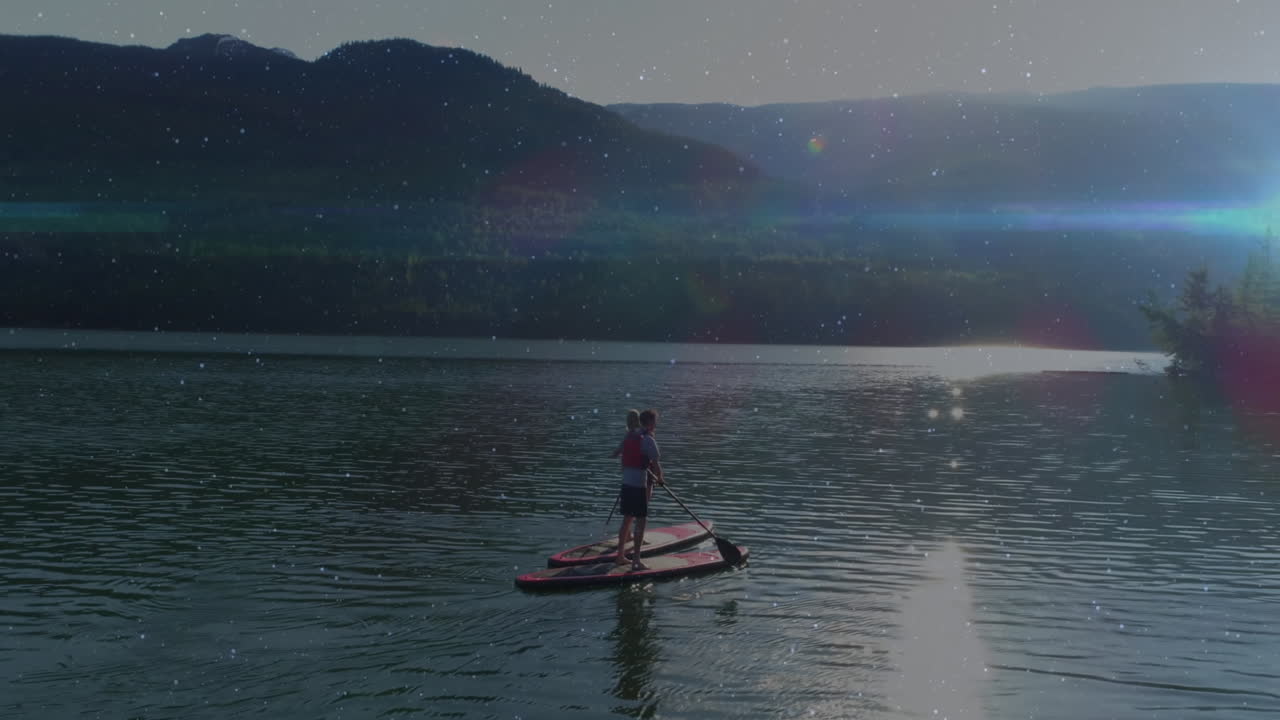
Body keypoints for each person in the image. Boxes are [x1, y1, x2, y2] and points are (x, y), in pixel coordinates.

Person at [615, 408, 663, 570]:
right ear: (650, 423)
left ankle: (620, 557)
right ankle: (636, 561)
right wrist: (660, 479)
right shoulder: (648, 439)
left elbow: (620, 454)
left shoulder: (629, 436)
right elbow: (656, 465)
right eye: (655, 421)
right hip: (638, 486)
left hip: (626, 484)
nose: (656, 424)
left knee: (627, 520)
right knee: (640, 523)